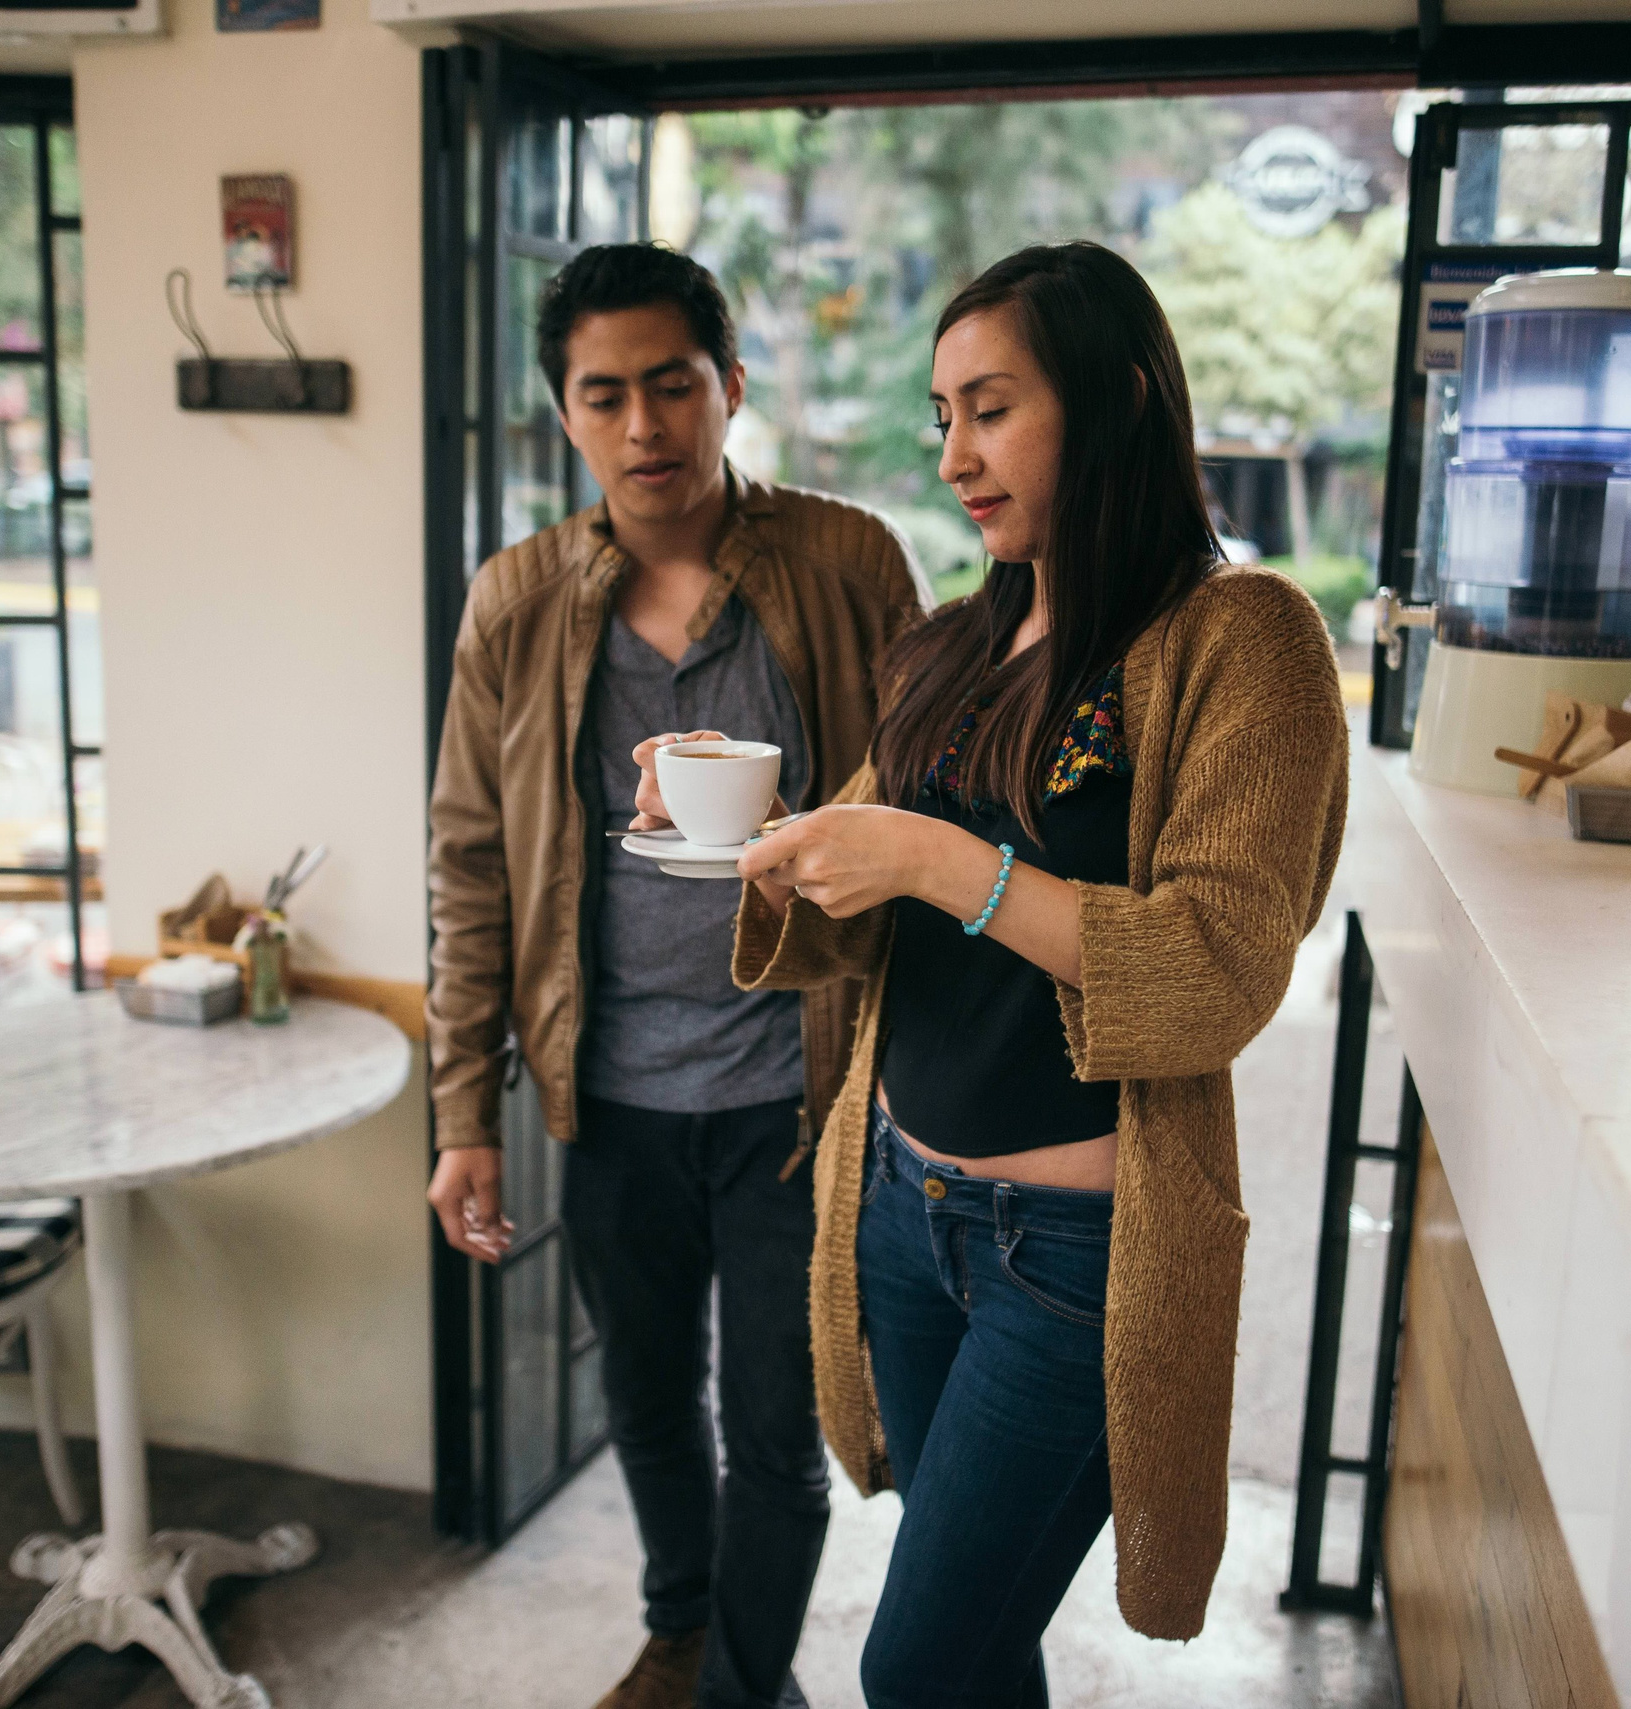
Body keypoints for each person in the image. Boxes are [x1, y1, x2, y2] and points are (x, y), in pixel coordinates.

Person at [636, 242, 1349, 1707]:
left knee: (914, 1662)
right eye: (941, 415)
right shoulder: (952, 645)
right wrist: (742, 827)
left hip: (1078, 1258)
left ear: (1117, 401)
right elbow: (859, 881)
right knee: (977, 1641)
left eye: (991, 407)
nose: (954, 453)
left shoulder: (1240, 641)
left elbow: (1216, 970)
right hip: (904, 1210)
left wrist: (940, 862)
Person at [425, 243, 927, 1709]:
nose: (644, 425)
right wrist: (466, 1110)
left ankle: (735, 1685)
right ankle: (682, 1624)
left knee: (780, 1427)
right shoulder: (519, 600)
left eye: (672, 384)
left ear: (729, 390)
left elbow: (922, 803)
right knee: (644, 1401)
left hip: (796, 1086)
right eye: (605, 395)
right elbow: (472, 859)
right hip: (616, 1093)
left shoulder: (844, 563)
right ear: (564, 417)